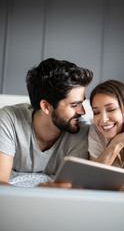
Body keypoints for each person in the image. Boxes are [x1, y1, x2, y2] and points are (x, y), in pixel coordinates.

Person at [0, 58, 93, 188]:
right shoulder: (8, 120)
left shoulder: (82, 130)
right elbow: (1, 185)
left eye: (82, 103)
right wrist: (37, 191)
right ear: (46, 106)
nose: (82, 111)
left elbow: (71, 188)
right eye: (74, 105)